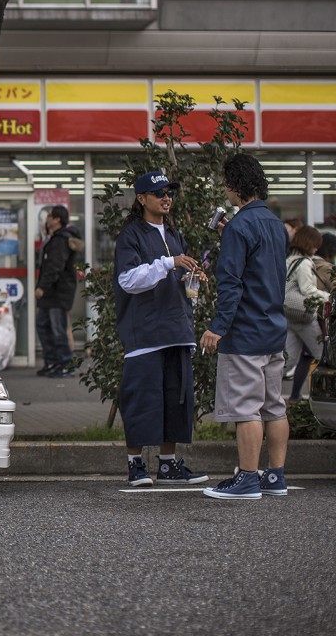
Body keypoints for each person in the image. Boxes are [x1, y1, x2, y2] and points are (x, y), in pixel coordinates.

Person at [200, 153, 290, 500]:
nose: (226, 191)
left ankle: (248, 479)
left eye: (226, 184)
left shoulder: (239, 226)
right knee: (274, 407)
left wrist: (217, 327)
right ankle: (275, 477)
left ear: (236, 185)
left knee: (245, 409)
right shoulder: (274, 223)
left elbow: (232, 283)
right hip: (273, 328)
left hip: (245, 332)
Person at [113, 171, 209, 487]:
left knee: (176, 400)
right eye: (159, 193)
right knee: (142, 400)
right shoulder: (131, 235)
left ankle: (168, 465)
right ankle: (135, 465)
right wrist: (169, 264)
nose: (166, 198)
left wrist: (191, 279)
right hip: (144, 333)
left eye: (170, 192)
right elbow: (128, 280)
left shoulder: (174, 234)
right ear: (142, 199)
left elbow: (172, 277)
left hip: (177, 329)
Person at [284, 227, 331, 400]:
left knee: (287, 359)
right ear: (310, 243)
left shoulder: (290, 259)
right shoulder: (303, 263)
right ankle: (325, 395)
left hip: (289, 314)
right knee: (322, 355)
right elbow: (308, 290)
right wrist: (328, 298)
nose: (316, 249)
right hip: (303, 316)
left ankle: (263, 390)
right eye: (315, 245)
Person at [35, 205, 80, 378]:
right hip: (51, 294)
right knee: (43, 326)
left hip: (58, 293)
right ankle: (52, 362)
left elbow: (55, 267)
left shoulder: (61, 240)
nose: (47, 219)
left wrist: (42, 287)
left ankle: (66, 364)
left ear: (57, 220)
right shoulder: (54, 239)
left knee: (58, 329)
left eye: (50, 216)